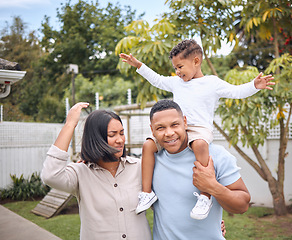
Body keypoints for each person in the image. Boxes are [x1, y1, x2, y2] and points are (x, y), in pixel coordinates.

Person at [120, 39, 274, 219]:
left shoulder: (212, 83)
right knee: (148, 145)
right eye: (175, 68)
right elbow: (158, 80)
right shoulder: (177, 83)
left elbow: (235, 92)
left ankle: (205, 196)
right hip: (178, 130)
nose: (177, 72)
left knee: (200, 145)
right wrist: (138, 65)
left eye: (180, 67)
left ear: (196, 61)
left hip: (199, 129)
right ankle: (146, 193)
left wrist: (254, 86)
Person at [41, 102, 152, 240]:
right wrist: (70, 125)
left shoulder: (139, 167)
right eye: (112, 135)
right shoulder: (80, 173)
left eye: (122, 133)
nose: (120, 140)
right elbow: (50, 175)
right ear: (96, 139)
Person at [149, 99, 250, 239]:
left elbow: (243, 205)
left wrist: (212, 186)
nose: (169, 133)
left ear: (185, 122)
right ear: (152, 130)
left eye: (174, 125)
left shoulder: (216, 155)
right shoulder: (151, 162)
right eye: (160, 128)